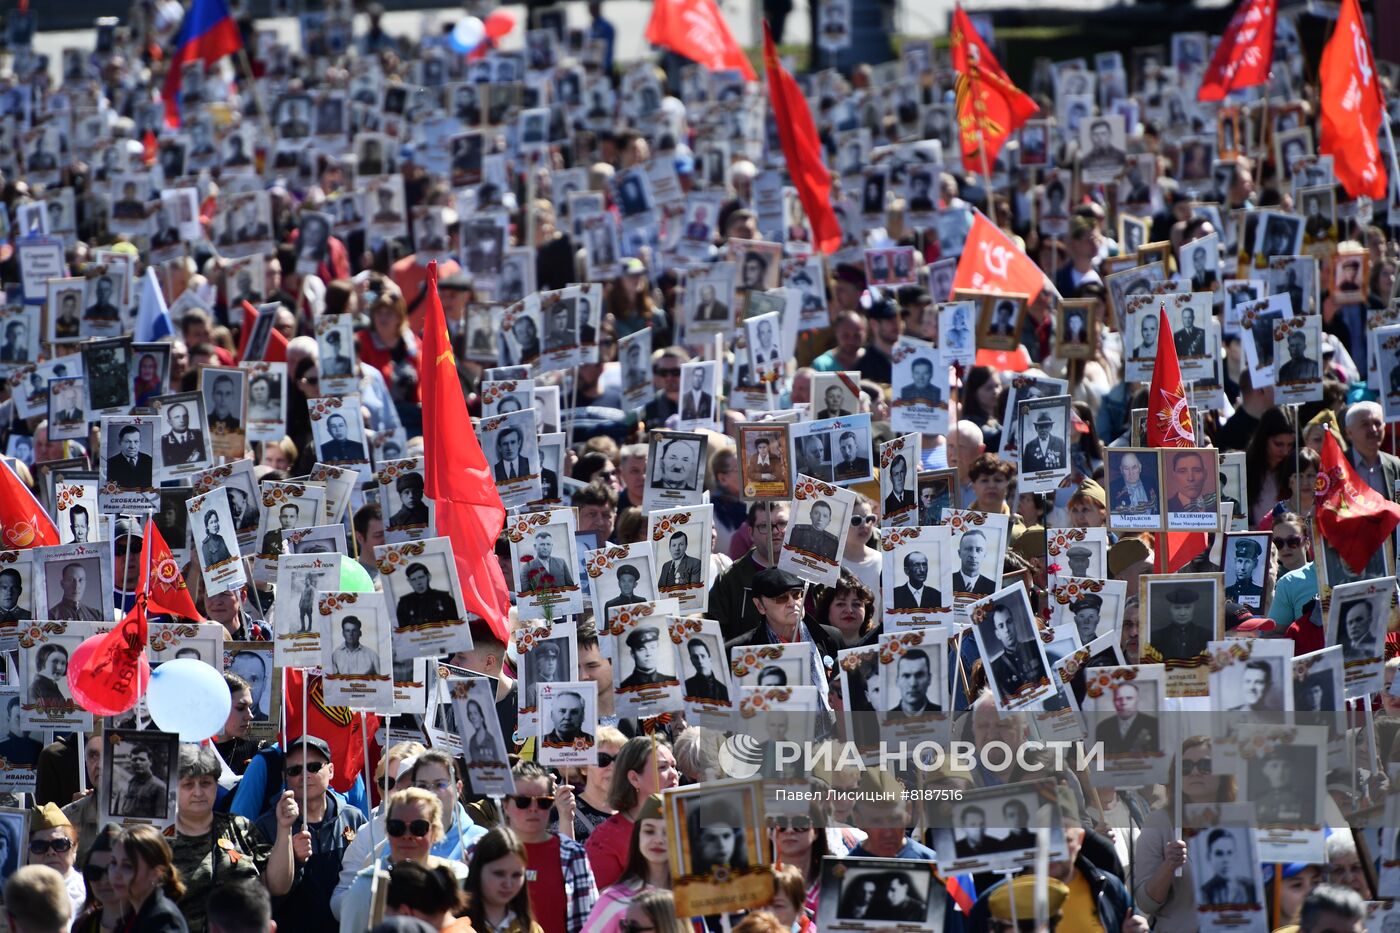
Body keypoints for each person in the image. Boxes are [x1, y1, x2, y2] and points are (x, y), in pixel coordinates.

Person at [108, 825, 189, 933]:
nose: (116, 874)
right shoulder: (130, 917)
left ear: (156, 873)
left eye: (128, 866)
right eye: (113, 862)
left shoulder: (164, 920)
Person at [1093, 682, 1159, 755]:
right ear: (1113, 701)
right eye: (1118, 699)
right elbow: (1099, 761)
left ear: (1138, 700)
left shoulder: (1154, 724)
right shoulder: (1103, 727)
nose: (1123, 702)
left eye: (1129, 698)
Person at [395, 563, 459, 630]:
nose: (418, 583)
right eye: (413, 579)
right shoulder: (404, 603)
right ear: (409, 582)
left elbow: (457, 626)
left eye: (421, 577)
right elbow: (402, 632)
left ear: (428, 577)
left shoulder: (445, 599)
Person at [952, 530, 997, 595]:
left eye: (978, 550)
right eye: (968, 549)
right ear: (959, 553)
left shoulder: (993, 587)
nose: (973, 555)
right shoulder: (947, 582)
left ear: (985, 554)